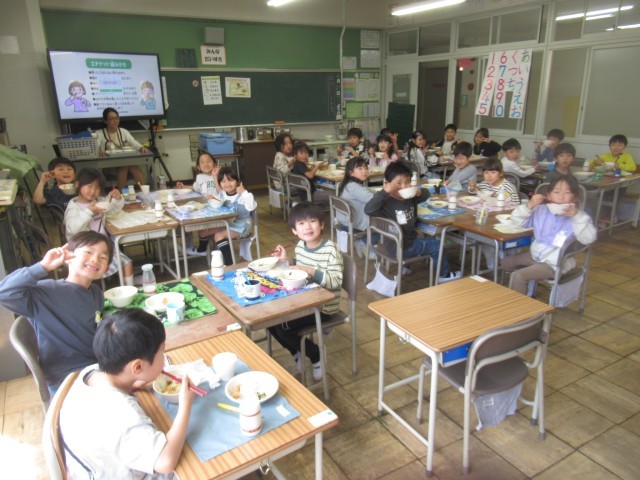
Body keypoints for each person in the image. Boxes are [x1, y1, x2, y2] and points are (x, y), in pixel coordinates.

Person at [60, 309, 195, 479]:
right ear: (137, 367)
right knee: (198, 468)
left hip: (88, 466)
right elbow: (165, 461)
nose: (164, 358)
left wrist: (132, 384)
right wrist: (185, 405)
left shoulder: (92, 372)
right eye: (162, 352)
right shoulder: (124, 415)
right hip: (116, 474)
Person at [0, 231, 112, 393]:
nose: (95, 259)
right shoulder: (46, 292)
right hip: (67, 376)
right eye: (88, 252)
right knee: (128, 387)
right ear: (68, 257)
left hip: (95, 365)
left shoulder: (95, 293)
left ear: (106, 268)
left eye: (103, 257)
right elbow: (4, 293)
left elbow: (94, 324)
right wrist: (43, 266)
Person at [269, 202, 343, 381]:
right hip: (303, 299)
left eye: (312, 221)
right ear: (294, 230)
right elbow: (300, 263)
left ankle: (315, 354)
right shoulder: (301, 246)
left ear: (322, 224)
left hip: (325, 306)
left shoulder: (330, 250)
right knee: (268, 321)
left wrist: (310, 270)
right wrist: (286, 260)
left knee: (283, 328)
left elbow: (336, 281)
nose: (307, 227)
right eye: (301, 223)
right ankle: (297, 352)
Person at [364, 161, 460, 282]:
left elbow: (426, 195)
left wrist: (418, 191)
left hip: (399, 244)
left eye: (407, 182)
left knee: (417, 236)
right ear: (387, 184)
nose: (404, 186)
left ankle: (405, 267)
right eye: (398, 183)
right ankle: (444, 275)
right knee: (436, 245)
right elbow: (368, 209)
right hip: (401, 247)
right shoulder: (385, 201)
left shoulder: (410, 197)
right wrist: (384, 192)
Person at [502, 175, 596, 295]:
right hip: (536, 255)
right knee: (505, 263)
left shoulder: (579, 217)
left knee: (519, 276)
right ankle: (528, 287)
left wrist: (576, 216)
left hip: (555, 263)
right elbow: (517, 222)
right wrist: (529, 205)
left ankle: (521, 304)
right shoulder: (540, 210)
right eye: (556, 192)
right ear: (549, 195)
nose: (561, 197)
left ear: (575, 197)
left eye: (567, 192)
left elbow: (589, 238)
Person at [64, 167, 134, 286]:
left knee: (127, 263)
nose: (93, 191)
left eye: (97, 188)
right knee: (119, 264)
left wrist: (117, 199)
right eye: (89, 186)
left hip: (102, 246)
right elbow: (72, 229)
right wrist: (89, 211)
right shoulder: (74, 207)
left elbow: (113, 210)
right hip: (83, 249)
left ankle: (129, 289)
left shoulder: (99, 201)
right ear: (77, 184)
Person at [187, 167, 257, 264]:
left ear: (238, 181)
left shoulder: (244, 196)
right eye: (223, 181)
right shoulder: (223, 194)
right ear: (220, 183)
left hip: (242, 227)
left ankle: (229, 264)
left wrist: (244, 192)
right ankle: (202, 250)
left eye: (231, 180)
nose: (227, 184)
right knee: (203, 232)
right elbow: (219, 196)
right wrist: (213, 198)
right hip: (228, 224)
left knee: (218, 236)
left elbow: (251, 206)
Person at [97, 107, 150, 189]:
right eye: (111, 119)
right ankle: (122, 194)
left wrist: (141, 148)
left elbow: (133, 142)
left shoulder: (123, 131)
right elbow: (94, 150)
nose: (115, 121)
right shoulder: (99, 133)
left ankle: (144, 191)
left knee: (132, 165)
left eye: (117, 118)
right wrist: (99, 152)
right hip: (109, 166)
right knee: (124, 165)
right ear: (105, 121)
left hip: (124, 162)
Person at [338, 157, 375, 256]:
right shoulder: (354, 187)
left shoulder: (348, 184)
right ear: (351, 172)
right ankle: (363, 242)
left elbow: (367, 192)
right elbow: (374, 201)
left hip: (345, 222)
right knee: (384, 226)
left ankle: (361, 241)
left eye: (365, 168)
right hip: (353, 225)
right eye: (360, 168)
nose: (364, 171)